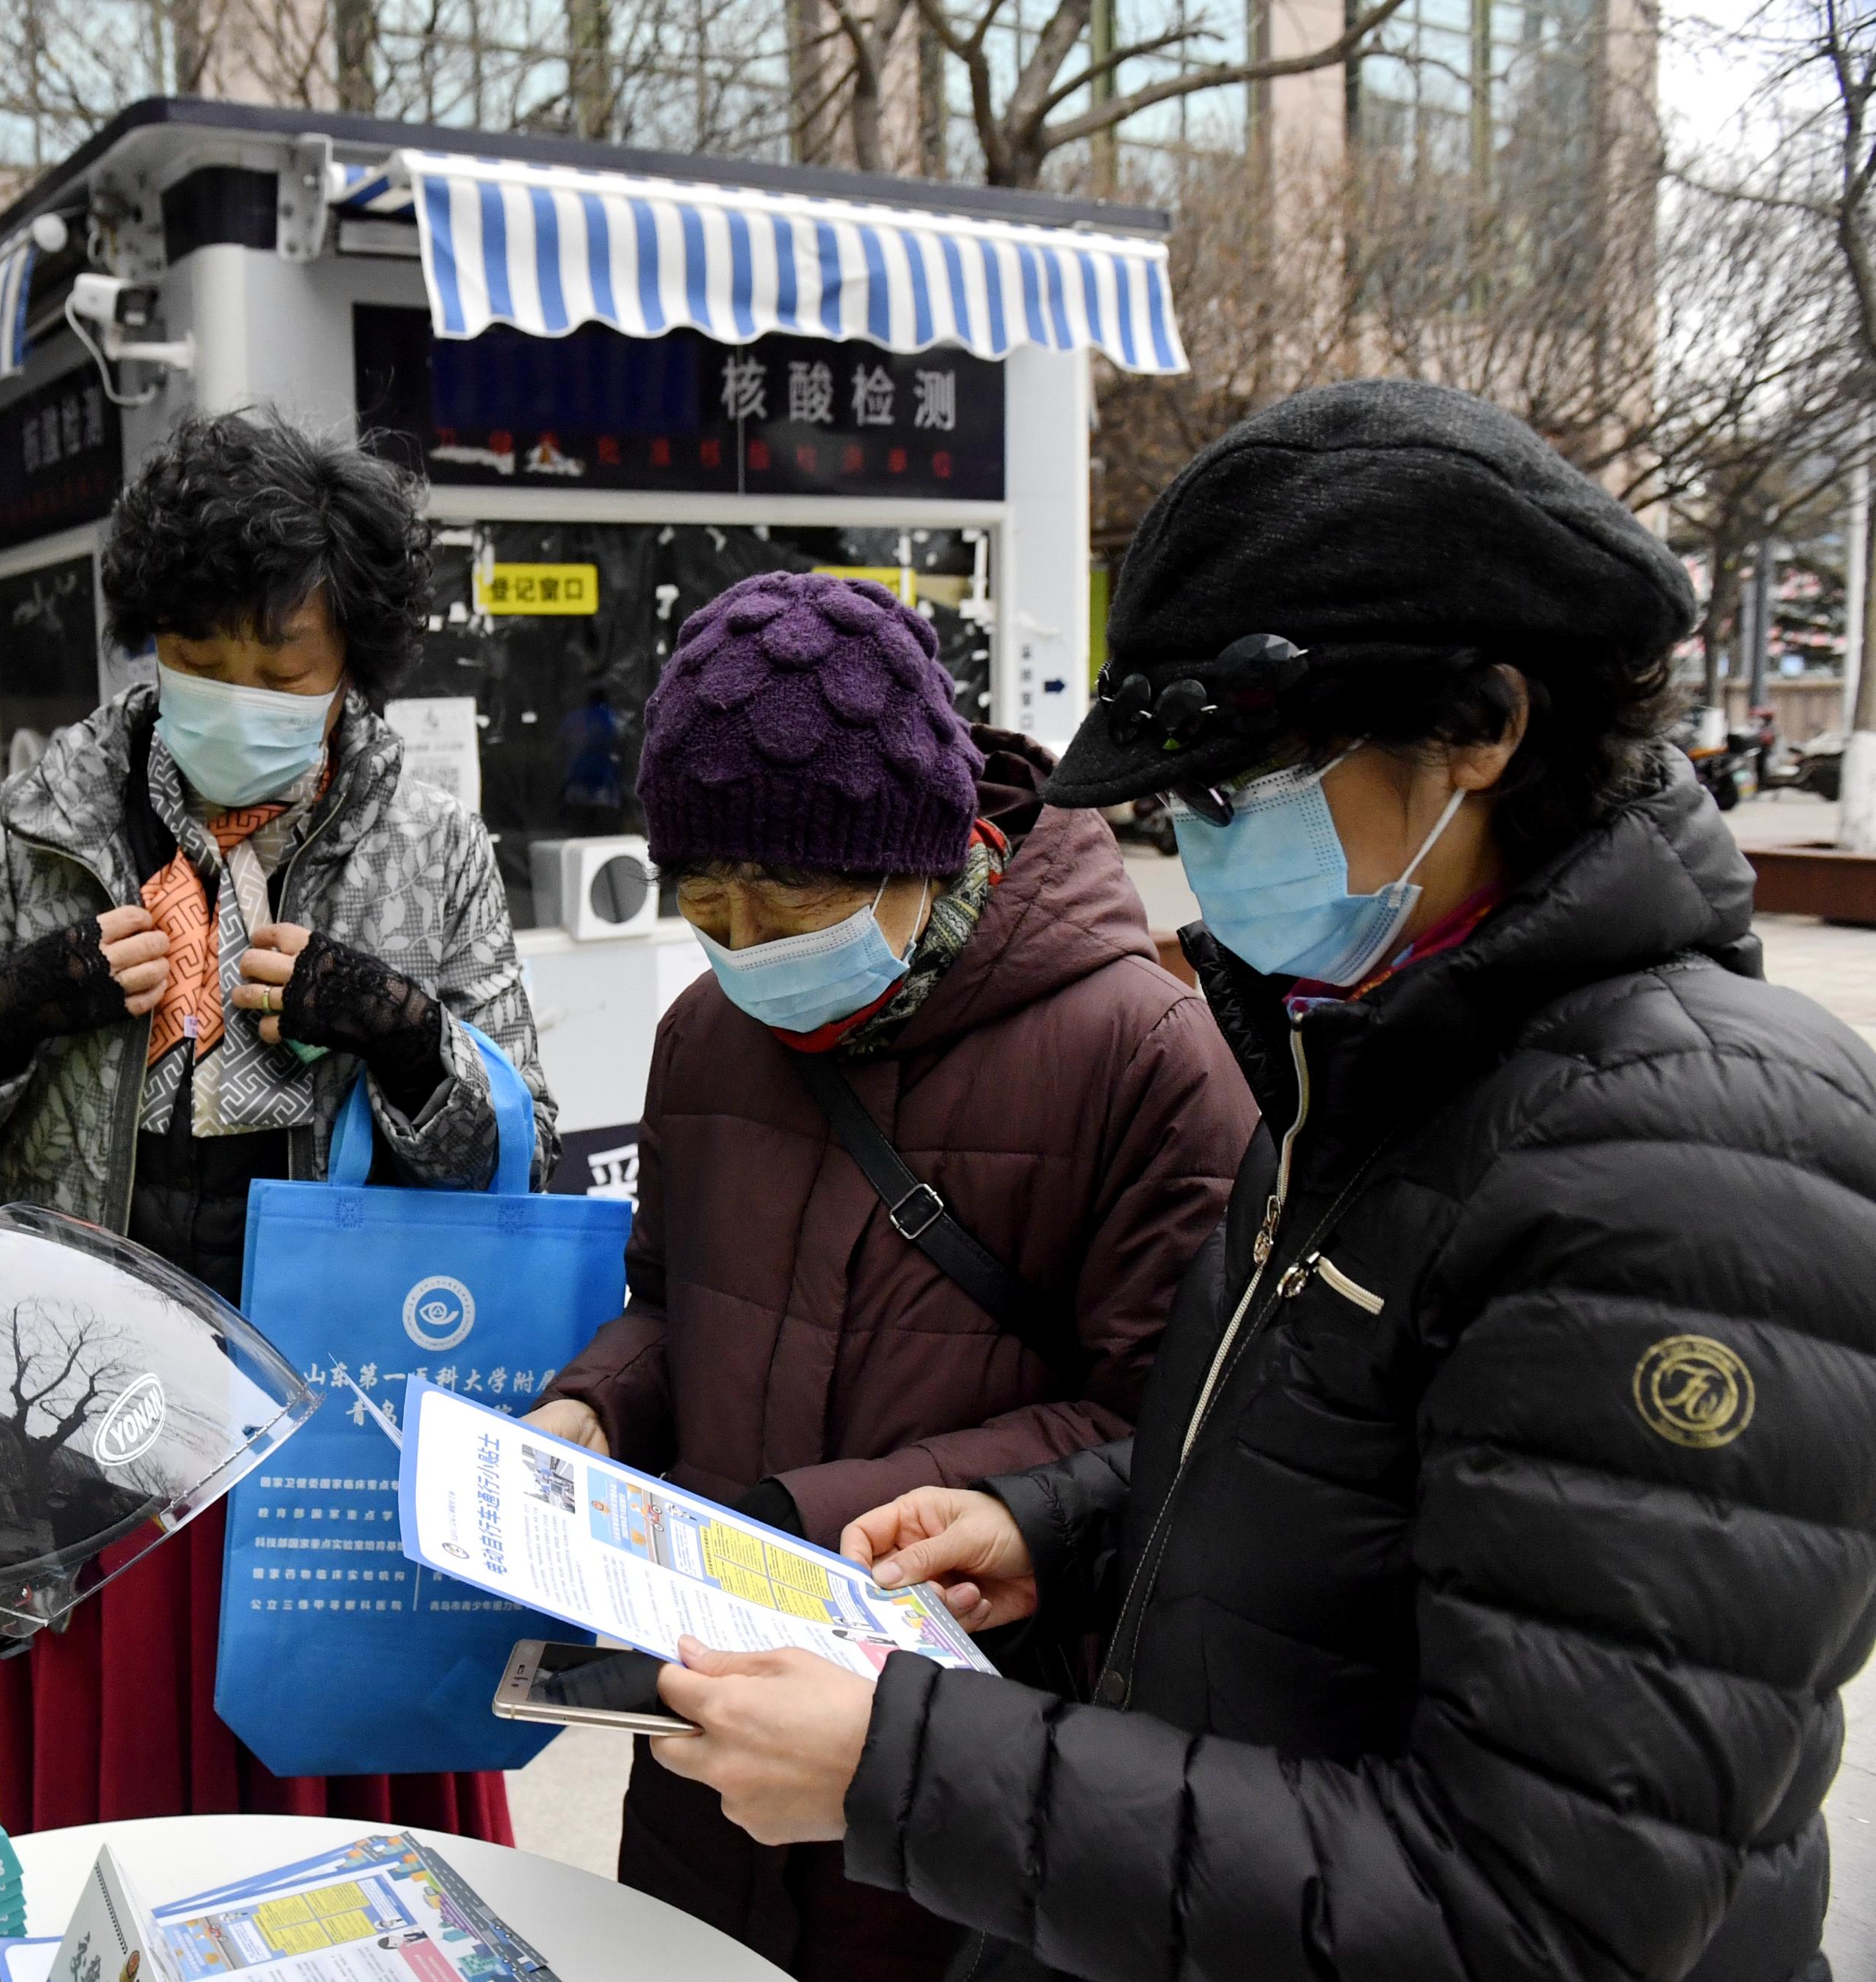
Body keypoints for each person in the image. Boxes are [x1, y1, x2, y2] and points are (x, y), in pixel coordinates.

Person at [643, 381, 1876, 1982]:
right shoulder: (1366, 1051)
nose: (1203, 852)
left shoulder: (1697, 1170)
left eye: (1241, 791)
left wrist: (908, 1770)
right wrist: (1058, 1524)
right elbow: (1328, 1475)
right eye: (1180, 803)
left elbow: (1543, 1907)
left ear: (1487, 725)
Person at [519, 570, 1253, 1981]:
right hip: (705, 1725)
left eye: (787, 902)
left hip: (964, 1744)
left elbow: (1168, 1429)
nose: (749, 953)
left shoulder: (1145, 1056)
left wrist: (806, 1517)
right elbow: (674, 1299)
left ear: (924, 846)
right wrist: (595, 1409)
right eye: (706, 910)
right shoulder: (702, 1036)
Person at [0, 412, 555, 1842]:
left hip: (335, 1409)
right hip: (87, 1408)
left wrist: (406, 1035)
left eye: (279, 669)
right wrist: (8, 1009)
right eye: (199, 662)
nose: (238, 695)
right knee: (126, 1799)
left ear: (353, 660)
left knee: (350, 1793)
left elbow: (509, 1156)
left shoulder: (430, 848)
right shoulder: (42, 823)